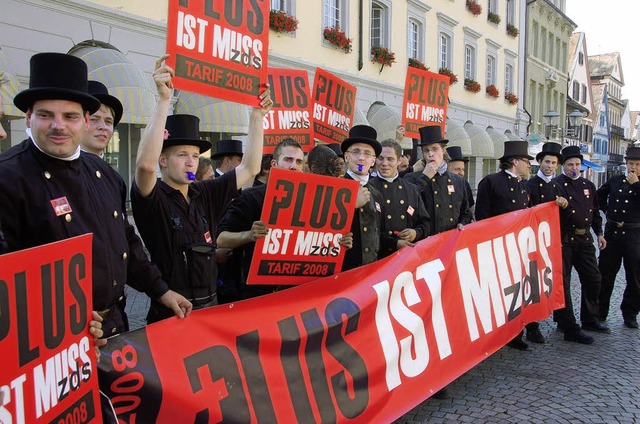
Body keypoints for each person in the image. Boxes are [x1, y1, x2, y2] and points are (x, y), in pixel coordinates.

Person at [0, 52, 191, 337]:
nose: (58, 125)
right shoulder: (8, 177)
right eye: (45, 115)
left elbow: (125, 241)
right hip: (53, 342)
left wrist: (161, 291)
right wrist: (64, 324)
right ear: (28, 118)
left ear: (85, 120)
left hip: (116, 324)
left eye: (70, 116)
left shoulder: (106, 175)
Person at [131, 54, 271, 322]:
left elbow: (250, 168)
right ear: (163, 159)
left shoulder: (203, 192)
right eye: (181, 154)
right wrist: (163, 100)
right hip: (170, 313)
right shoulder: (154, 196)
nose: (190, 162)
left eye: (195, 156)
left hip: (210, 310)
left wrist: (257, 117)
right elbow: (145, 167)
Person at [215, 138, 306, 299]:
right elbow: (221, 239)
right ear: (273, 164)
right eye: (288, 159)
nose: (294, 166)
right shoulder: (250, 197)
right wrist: (249, 235)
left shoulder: (309, 200)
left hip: (294, 292)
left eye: (299, 161)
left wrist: (338, 241)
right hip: (255, 293)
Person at [475, 140, 533, 350]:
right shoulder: (491, 182)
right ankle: (492, 335)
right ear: (515, 161)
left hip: (517, 249)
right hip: (495, 248)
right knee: (494, 294)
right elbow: (482, 216)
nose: (529, 166)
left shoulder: (524, 186)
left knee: (515, 292)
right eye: (526, 161)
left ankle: (515, 333)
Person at [553, 145, 610, 343]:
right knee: (564, 282)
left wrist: (600, 233)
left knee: (593, 278)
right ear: (563, 166)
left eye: (577, 164)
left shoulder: (588, 185)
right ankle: (563, 320)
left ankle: (590, 318)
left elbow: (595, 212)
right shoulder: (557, 184)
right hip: (564, 239)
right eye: (570, 165)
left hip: (584, 239)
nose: (574, 168)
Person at [520, 142, 569, 344]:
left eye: (553, 163)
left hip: (550, 243)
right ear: (539, 162)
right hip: (532, 242)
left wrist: (564, 206)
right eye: (546, 162)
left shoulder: (558, 187)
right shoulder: (529, 185)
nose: (549, 166)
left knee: (547, 282)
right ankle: (532, 327)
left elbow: (564, 218)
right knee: (531, 283)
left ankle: (552, 317)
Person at [597, 146, 640, 329]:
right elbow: (599, 196)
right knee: (605, 274)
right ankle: (599, 311)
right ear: (626, 163)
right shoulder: (615, 180)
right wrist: (607, 212)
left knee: (635, 277)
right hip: (613, 233)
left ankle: (630, 313)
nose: (633, 168)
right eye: (631, 164)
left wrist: (636, 184)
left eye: (638, 164)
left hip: (634, 235)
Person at [404, 126, 471, 235]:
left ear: (443, 151)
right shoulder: (411, 178)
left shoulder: (458, 181)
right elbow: (407, 205)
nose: (430, 154)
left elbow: (466, 213)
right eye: (426, 150)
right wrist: (425, 177)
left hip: (449, 241)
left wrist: (462, 223)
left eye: (435, 149)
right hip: (424, 241)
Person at [370, 139, 430, 258]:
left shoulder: (411, 189)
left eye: (390, 159)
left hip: (405, 258)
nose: (384, 163)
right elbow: (367, 231)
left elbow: (425, 223)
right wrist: (394, 243)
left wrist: (415, 233)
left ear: (399, 160)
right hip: (378, 258)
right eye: (380, 158)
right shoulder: (368, 188)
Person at [341, 125, 384, 271]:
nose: (361, 158)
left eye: (367, 154)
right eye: (356, 152)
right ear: (346, 156)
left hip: (369, 272)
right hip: (344, 270)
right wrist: (352, 205)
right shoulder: (336, 187)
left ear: (373, 161)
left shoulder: (377, 194)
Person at [80, 81, 123, 157]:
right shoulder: (60, 167)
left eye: (108, 121)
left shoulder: (107, 168)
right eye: (93, 119)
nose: (103, 127)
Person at [446, 145, 475, 220]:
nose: (462, 173)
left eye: (463, 169)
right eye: (457, 169)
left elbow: (469, 209)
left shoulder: (464, 184)